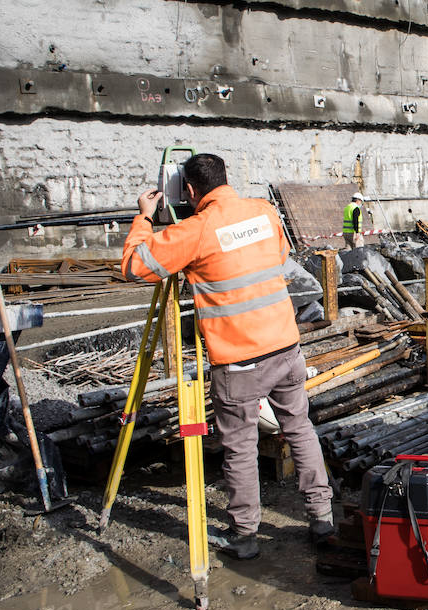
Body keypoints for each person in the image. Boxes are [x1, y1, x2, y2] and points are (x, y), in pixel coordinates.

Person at [123, 153, 334, 559]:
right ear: (224, 178)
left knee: (240, 447)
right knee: (300, 429)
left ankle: (245, 536)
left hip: (240, 360)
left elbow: (135, 266)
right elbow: (275, 256)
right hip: (286, 346)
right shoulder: (263, 211)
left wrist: (145, 218)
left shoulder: (195, 230)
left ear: (188, 190)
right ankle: (322, 518)